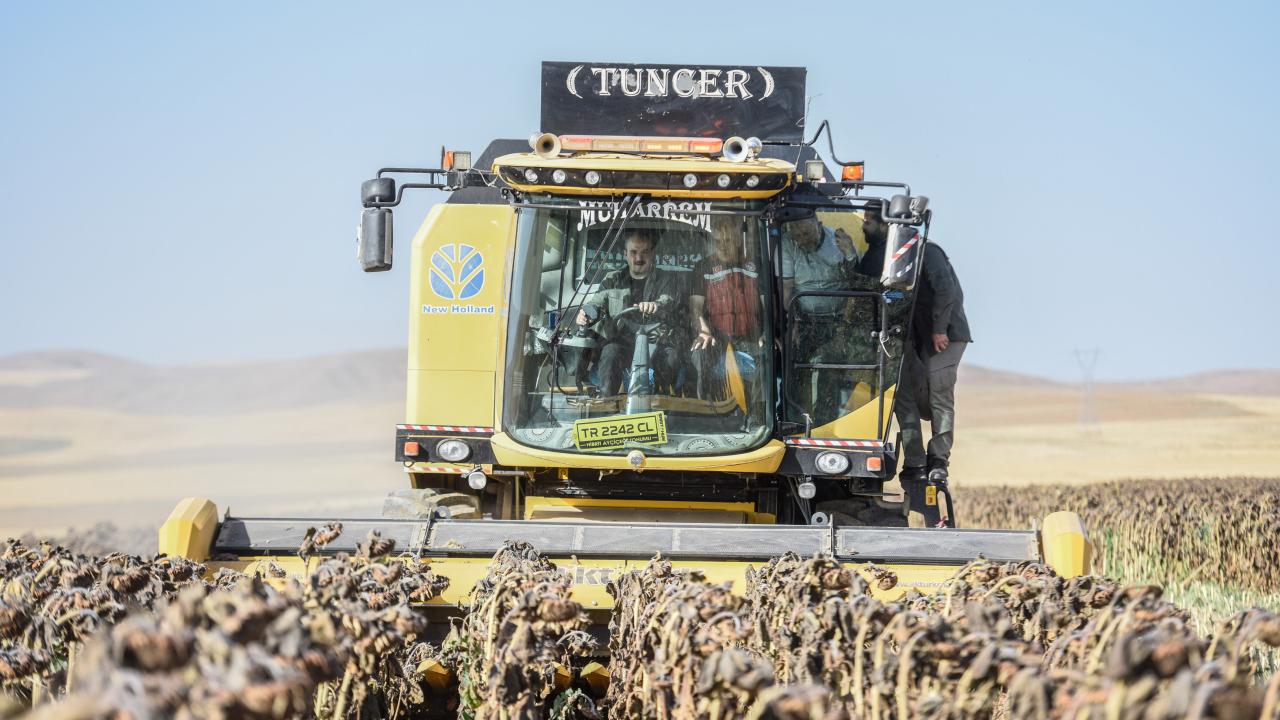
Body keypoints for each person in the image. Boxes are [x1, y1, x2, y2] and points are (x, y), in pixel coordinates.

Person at [877, 204, 971, 523]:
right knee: (904, 394)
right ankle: (916, 463)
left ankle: (938, 461)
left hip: (945, 336)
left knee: (939, 392)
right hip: (917, 339)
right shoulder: (895, 258)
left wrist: (940, 328)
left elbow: (947, 290)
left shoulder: (928, 253)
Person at [577, 229, 682, 396]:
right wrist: (586, 314)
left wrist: (655, 305)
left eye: (645, 252)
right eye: (633, 252)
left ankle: (663, 404)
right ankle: (606, 403)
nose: (639, 258)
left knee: (672, 358)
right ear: (625, 253)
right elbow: (597, 302)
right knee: (610, 353)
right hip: (622, 343)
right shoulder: (613, 279)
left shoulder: (666, 279)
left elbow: (669, 299)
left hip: (657, 343)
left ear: (652, 253)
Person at [780, 211, 861, 425]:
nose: (802, 240)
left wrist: (850, 254)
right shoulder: (787, 244)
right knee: (795, 371)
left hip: (838, 322)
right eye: (798, 236)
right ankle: (794, 422)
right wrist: (789, 322)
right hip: (803, 320)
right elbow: (786, 289)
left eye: (806, 234)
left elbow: (856, 282)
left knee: (829, 373)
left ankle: (824, 423)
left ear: (820, 225)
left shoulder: (840, 243)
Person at [689, 217, 763, 403]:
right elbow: (695, 307)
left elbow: (768, 305)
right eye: (717, 241)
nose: (722, 246)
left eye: (727, 240)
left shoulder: (756, 265)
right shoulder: (703, 267)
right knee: (699, 355)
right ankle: (706, 409)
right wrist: (704, 332)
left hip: (751, 336)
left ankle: (758, 413)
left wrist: (768, 333)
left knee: (770, 356)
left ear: (738, 240)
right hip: (717, 337)